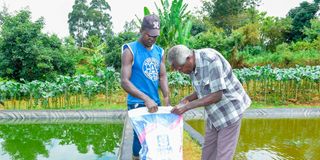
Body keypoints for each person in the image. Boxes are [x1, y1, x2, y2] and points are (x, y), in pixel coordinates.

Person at [167, 45, 251, 160]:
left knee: (223, 155)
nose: (181, 72)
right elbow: (203, 89)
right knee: (208, 153)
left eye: (180, 68)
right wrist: (187, 99)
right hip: (213, 114)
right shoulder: (192, 67)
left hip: (229, 110)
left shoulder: (211, 60)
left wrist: (187, 107)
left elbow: (217, 95)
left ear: (188, 58)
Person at [120, 14, 170, 160]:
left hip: (155, 101)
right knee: (140, 137)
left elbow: (162, 75)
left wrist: (166, 96)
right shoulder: (129, 50)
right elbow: (124, 81)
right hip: (137, 101)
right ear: (141, 30)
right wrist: (145, 98)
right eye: (149, 35)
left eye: (155, 36)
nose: (152, 39)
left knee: (155, 136)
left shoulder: (159, 51)